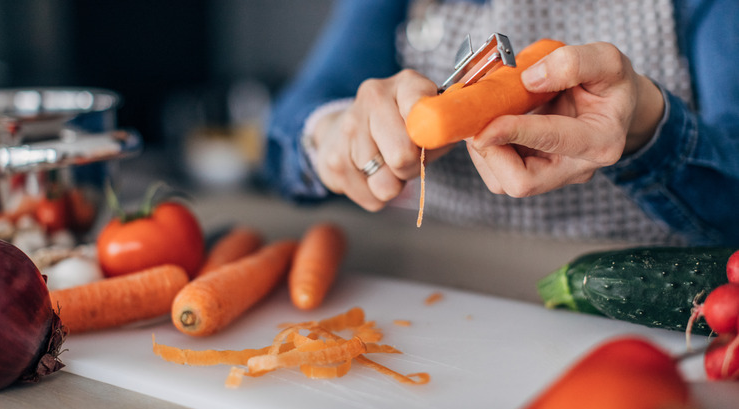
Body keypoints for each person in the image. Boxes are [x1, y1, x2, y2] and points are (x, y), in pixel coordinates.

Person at [262, 0, 739, 245]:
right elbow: (286, 134)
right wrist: (331, 133)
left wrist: (647, 128)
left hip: (637, 305)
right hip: (452, 285)